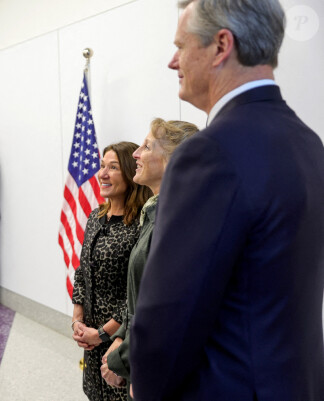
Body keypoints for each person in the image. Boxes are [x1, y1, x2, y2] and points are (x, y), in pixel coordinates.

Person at [129, 1, 324, 400]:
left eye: (181, 46)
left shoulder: (208, 153)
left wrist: (143, 387)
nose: (172, 61)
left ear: (221, 46)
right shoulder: (308, 143)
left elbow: (169, 314)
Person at [100, 119, 199, 398]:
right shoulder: (155, 211)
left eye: (146, 146)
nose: (135, 154)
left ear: (172, 160)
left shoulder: (176, 220)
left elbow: (162, 312)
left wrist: (123, 360)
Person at [71, 141, 151, 401]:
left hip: (122, 342)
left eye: (113, 167)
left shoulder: (141, 224)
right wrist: (78, 321)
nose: (102, 174)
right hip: (91, 341)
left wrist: (103, 333)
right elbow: (82, 271)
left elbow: (139, 292)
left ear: (130, 173)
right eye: (102, 166)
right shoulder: (95, 217)